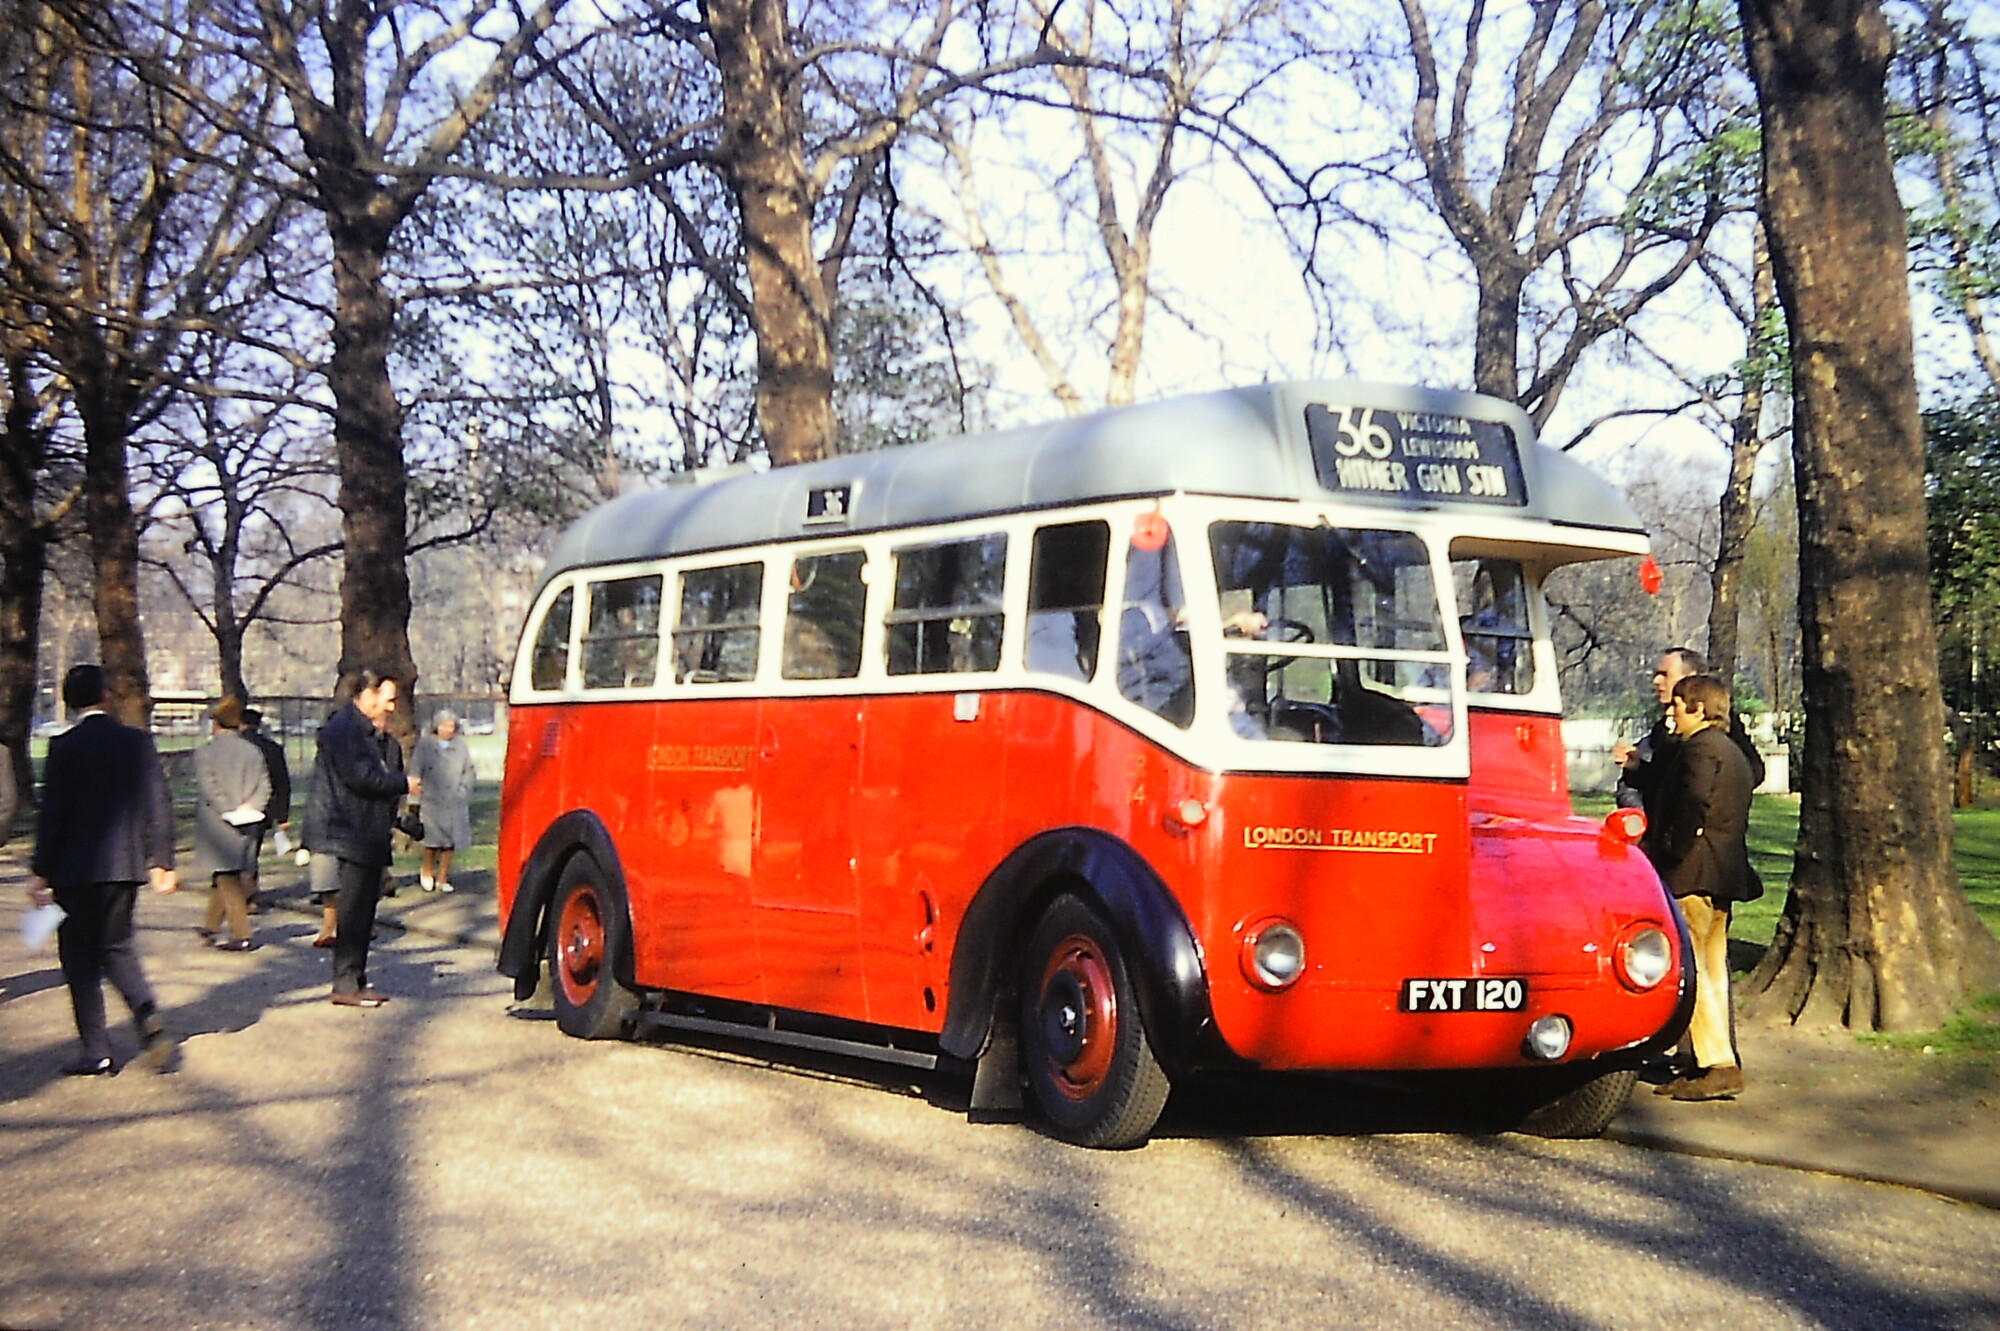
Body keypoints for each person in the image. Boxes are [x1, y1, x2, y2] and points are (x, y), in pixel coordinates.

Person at [26, 665, 178, 1075]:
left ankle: (97, 1048)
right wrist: (163, 859)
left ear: (69, 701)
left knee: (79, 959)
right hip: (124, 866)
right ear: (106, 696)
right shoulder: (137, 743)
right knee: (118, 946)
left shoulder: (64, 747)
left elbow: (53, 816)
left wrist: (40, 872)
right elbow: (158, 802)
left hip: (74, 869)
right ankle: (146, 1013)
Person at [1640, 673, 1764, 1102]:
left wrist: (1669, 850)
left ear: (1698, 707)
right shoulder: (1730, 752)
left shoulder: (1700, 750)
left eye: (1678, 703)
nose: (1671, 710)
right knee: (1711, 967)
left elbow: (1692, 806)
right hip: (1721, 874)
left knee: (1693, 971)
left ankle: (1717, 1064)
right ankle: (1703, 1063)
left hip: (1693, 874)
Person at [312, 669, 421, 1007]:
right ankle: (346, 983)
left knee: (363, 912)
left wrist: (399, 818)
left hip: (366, 832)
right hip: (352, 832)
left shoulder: (367, 735)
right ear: (369, 694)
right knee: (354, 910)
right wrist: (403, 784)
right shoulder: (345, 730)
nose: (390, 708)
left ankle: (355, 980)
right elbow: (362, 778)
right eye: (387, 700)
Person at [1613, 647, 1764, 809]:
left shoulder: (1720, 724)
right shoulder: (1663, 727)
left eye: (1665, 675)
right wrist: (1637, 768)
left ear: (1690, 679)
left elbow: (1753, 771)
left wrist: (1712, 800)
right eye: (1657, 674)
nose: (1656, 681)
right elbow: (1662, 779)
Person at [190, 697, 270, 952]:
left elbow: (209, 786)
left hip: (217, 823)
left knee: (227, 877)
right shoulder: (253, 751)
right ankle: (211, 926)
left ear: (216, 723)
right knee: (225, 874)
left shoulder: (205, 752)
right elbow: (265, 785)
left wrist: (228, 809)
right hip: (248, 820)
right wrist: (251, 807)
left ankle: (241, 933)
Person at [411, 710, 475, 893]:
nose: (449, 729)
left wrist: (463, 790)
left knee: (449, 843)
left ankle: (443, 878)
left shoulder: (461, 746)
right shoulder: (424, 745)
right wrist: (414, 798)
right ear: (436, 726)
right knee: (431, 841)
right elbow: (416, 770)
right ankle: (427, 870)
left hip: (454, 801)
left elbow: (469, 772)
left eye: (452, 726)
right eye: (445, 725)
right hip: (431, 801)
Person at [238, 708, 292, 911]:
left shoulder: (235, 746)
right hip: (262, 806)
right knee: (252, 850)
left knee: (235, 850)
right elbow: (282, 783)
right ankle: (248, 891)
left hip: (232, 804)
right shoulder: (272, 748)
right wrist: (282, 815)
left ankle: (236, 892)